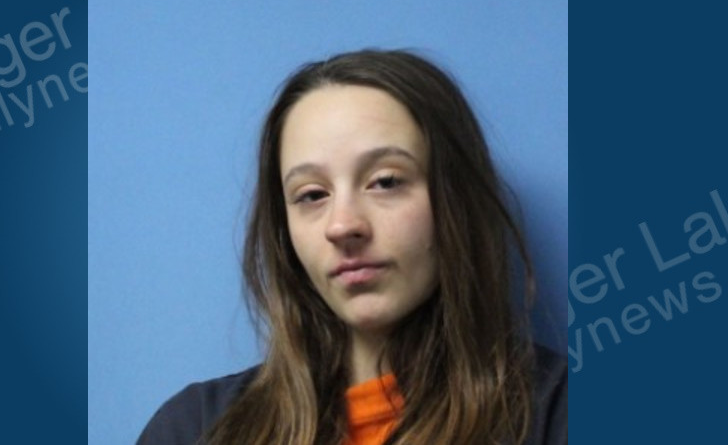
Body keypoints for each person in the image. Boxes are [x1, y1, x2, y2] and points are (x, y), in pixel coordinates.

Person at [136, 49, 567, 445]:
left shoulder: (562, 414)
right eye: (311, 194)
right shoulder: (192, 429)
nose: (342, 225)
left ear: (456, 199)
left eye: (385, 182)